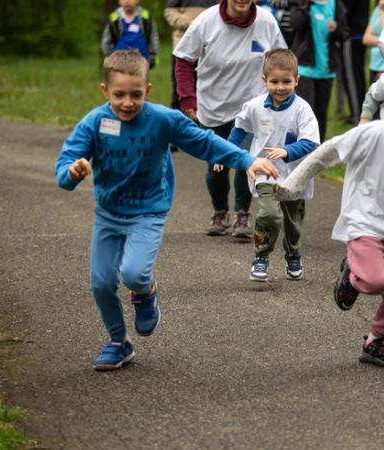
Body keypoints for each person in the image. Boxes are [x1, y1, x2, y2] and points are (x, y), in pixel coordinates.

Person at [54, 50, 278, 371]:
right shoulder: (96, 122)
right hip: (109, 213)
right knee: (101, 283)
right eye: (119, 95)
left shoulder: (162, 119)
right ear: (105, 91)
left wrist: (246, 160)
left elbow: (205, 142)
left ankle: (145, 291)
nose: (128, 103)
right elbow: (67, 160)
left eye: (135, 94)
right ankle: (119, 342)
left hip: (149, 211)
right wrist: (70, 174)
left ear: (148, 89)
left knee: (133, 273)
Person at [275, 76, 384, 368]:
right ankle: (352, 276)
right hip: (366, 222)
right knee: (373, 281)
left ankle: (375, 341)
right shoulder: (373, 133)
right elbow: (327, 153)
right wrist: (293, 184)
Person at [174, 0, 287, 241]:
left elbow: (280, 59)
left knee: (247, 162)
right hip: (212, 107)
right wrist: (187, 99)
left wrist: (280, 98)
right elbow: (183, 60)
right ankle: (220, 212)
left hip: (251, 108)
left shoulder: (266, 21)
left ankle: (242, 215)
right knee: (216, 166)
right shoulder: (206, 21)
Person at [225, 49, 320, 281]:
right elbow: (239, 130)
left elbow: (311, 142)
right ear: (264, 80)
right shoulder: (254, 106)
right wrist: (224, 155)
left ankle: (293, 252)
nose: (280, 87)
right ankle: (261, 258)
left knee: (292, 221)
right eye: (274, 81)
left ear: (296, 80)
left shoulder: (302, 109)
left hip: (295, 175)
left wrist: (287, 151)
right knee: (269, 215)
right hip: (264, 172)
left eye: (287, 81)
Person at [289, 0, 350, 141]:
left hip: (327, 70)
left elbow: (345, 34)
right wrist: (307, 5)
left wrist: (336, 29)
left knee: (321, 113)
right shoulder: (301, 3)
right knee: (306, 112)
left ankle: (318, 149)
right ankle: (302, 150)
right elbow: (295, 23)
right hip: (305, 69)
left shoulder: (336, 4)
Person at [164, 0, 218, 139]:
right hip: (182, 47)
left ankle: (197, 132)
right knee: (179, 92)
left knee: (204, 89)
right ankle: (175, 134)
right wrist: (192, 23)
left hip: (208, 48)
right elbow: (169, 12)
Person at [101, 0, 160, 69]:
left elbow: (153, 37)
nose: (127, 1)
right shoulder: (114, 18)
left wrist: (152, 56)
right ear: (119, 1)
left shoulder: (145, 17)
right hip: (119, 62)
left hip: (142, 61)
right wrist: (110, 57)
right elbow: (106, 40)